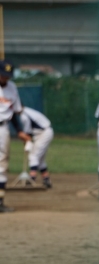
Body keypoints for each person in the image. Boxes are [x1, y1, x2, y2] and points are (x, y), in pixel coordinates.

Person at [0, 60, 32, 212]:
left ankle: (0, 201)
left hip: (3, 128)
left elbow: (13, 112)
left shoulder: (12, 88)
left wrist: (19, 130)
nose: (5, 78)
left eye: (8, 75)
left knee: (2, 163)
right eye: (3, 74)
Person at [19, 106, 54, 188]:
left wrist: (26, 142)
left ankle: (32, 178)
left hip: (43, 133)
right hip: (43, 133)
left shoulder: (24, 115)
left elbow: (27, 132)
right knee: (40, 158)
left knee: (33, 156)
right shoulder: (26, 111)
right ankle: (46, 179)